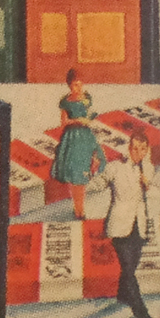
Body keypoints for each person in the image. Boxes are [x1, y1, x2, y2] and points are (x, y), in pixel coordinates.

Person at [99, 133, 160, 318]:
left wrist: (148, 185)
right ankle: (140, 310)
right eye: (135, 148)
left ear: (147, 150)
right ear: (129, 148)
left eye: (143, 149)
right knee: (128, 268)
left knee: (130, 267)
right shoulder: (116, 167)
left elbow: (159, 195)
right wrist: (92, 171)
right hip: (119, 225)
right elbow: (98, 184)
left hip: (139, 226)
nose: (138, 153)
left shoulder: (149, 170)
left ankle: (123, 295)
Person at [50, 70, 103, 217]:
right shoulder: (66, 102)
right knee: (75, 175)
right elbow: (64, 122)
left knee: (83, 174)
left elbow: (90, 115)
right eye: (75, 85)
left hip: (85, 137)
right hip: (72, 139)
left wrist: (89, 120)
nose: (78, 88)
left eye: (80, 84)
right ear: (69, 85)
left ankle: (80, 208)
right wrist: (77, 120)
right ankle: (78, 208)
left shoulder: (86, 98)